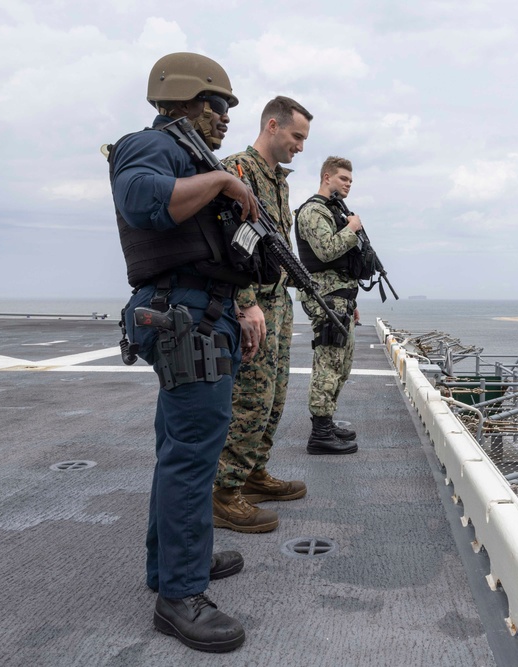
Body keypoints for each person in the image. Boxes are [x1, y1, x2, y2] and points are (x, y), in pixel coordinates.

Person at [109, 52, 264, 653]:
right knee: (193, 456)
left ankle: (171, 565)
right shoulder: (151, 147)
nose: (226, 118)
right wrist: (225, 181)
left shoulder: (189, 154)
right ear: (183, 99)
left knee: (180, 449)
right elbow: (142, 201)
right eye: (218, 105)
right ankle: (179, 596)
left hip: (200, 315)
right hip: (185, 321)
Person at [212, 97, 312, 532]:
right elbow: (230, 239)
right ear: (273, 126)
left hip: (277, 301)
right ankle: (224, 492)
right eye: (297, 136)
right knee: (249, 399)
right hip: (251, 302)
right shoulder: (237, 168)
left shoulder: (279, 180)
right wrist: (246, 300)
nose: (301, 147)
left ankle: (253, 473)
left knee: (274, 398)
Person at [294, 156, 364, 455]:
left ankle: (327, 421)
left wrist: (351, 300)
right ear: (326, 177)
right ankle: (320, 434)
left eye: (350, 180)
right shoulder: (313, 211)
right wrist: (352, 229)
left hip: (339, 299)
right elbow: (326, 252)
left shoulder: (333, 211)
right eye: (342, 179)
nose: (348, 184)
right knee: (328, 365)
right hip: (325, 299)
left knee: (341, 366)